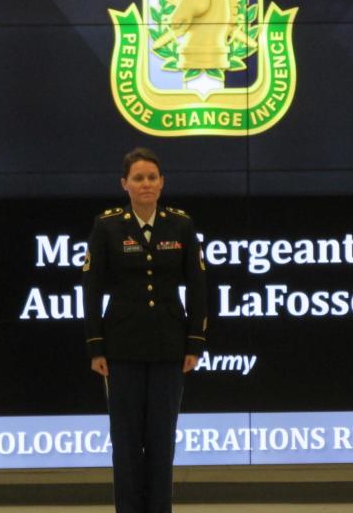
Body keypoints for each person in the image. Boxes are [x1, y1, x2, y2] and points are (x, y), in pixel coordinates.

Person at [82, 147, 207, 513]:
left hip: (169, 345)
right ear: (125, 184)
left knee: (161, 438)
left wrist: (195, 343)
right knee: (126, 438)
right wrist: (95, 346)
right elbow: (90, 287)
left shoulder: (180, 224)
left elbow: (198, 286)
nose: (146, 184)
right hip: (122, 347)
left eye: (152, 177)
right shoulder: (107, 226)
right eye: (138, 178)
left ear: (162, 183)